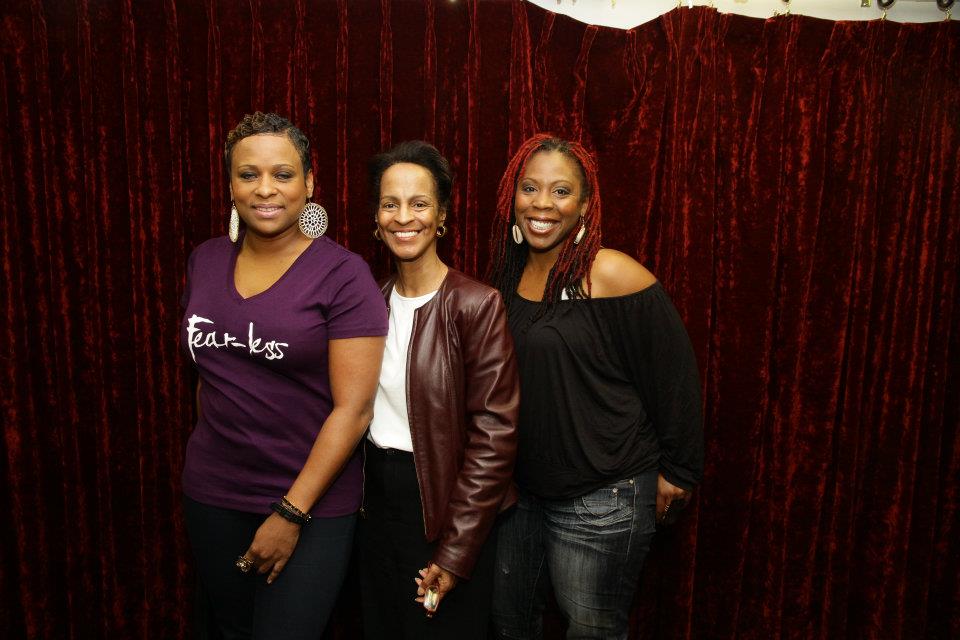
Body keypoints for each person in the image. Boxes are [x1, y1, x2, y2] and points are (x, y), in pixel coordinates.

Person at [179, 112, 387, 639]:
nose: (265, 189)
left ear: (310, 183)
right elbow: (210, 376)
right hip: (213, 493)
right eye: (248, 174)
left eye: (283, 174)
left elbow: (355, 410)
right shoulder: (205, 261)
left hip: (310, 502)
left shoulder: (344, 275)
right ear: (230, 185)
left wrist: (291, 513)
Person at [488, 134, 705, 639]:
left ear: (585, 204)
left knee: (591, 630)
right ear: (512, 197)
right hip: (521, 493)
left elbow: (674, 377)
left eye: (561, 191)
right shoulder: (507, 274)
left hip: (602, 495)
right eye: (529, 188)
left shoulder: (610, 273)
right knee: (509, 624)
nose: (542, 204)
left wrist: (679, 472)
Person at [358, 140, 519, 639]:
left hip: (444, 507)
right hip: (372, 506)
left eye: (419, 203)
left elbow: (495, 439)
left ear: (442, 215)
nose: (404, 217)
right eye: (390, 204)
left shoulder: (476, 305)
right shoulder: (366, 302)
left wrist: (454, 552)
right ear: (376, 217)